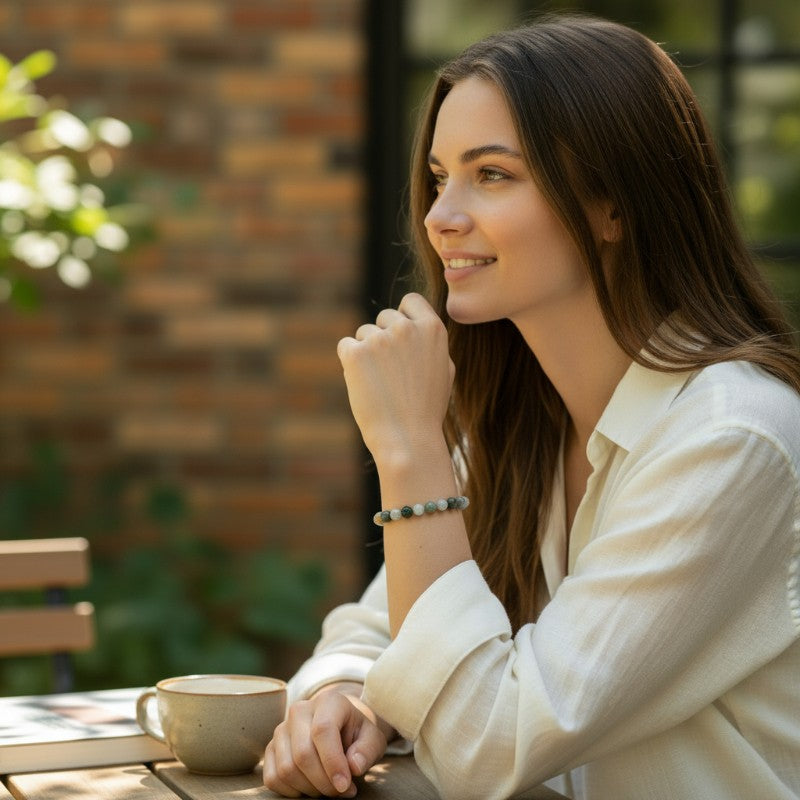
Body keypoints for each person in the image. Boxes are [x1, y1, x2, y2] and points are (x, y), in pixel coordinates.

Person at [263, 13, 800, 800]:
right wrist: (338, 695)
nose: (441, 216)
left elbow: (488, 744)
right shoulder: (523, 424)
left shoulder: (732, 439)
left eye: (493, 175)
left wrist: (408, 450)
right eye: (441, 176)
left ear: (612, 206)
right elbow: (380, 628)